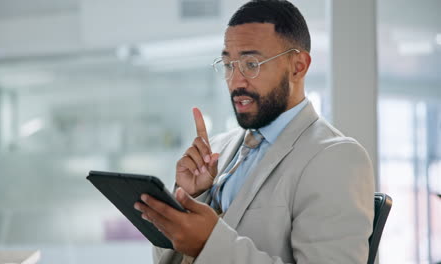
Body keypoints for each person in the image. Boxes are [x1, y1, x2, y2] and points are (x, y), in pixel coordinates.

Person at [134, 0, 375, 263]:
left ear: (298, 66)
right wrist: (187, 201)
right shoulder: (216, 150)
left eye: (251, 64)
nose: (236, 81)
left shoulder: (336, 158)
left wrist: (209, 244)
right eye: (228, 65)